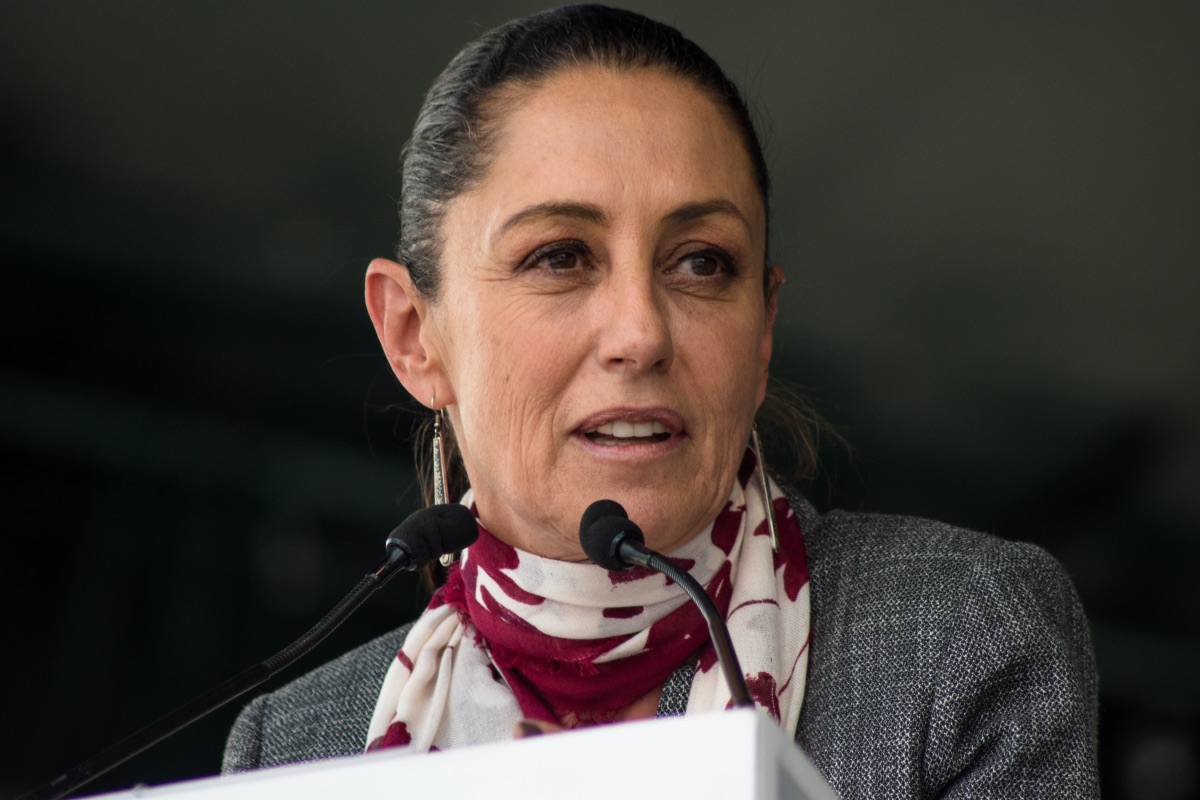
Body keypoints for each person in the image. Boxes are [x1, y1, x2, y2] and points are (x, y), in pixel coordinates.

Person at [223, 5, 1099, 796]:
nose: (640, 333)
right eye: (560, 256)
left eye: (702, 262)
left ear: (761, 331)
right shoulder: (295, 749)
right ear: (415, 335)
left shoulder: (955, 640)